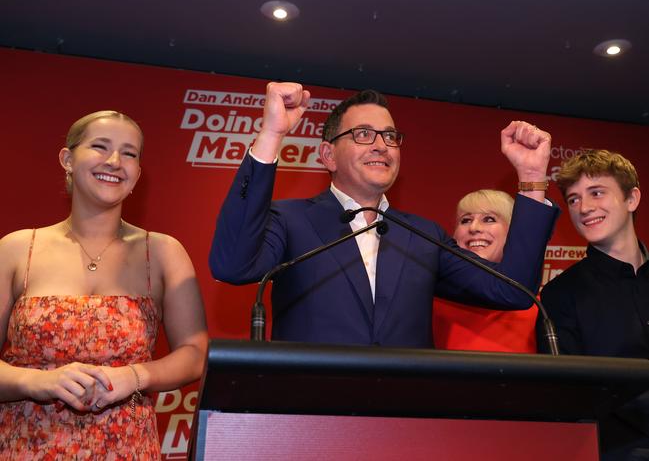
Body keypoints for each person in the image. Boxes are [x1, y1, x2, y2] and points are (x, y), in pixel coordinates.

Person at [210, 82, 558, 347]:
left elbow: (513, 291)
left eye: (390, 136)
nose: (381, 145)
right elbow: (233, 265)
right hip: (311, 424)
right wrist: (272, 133)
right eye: (363, 134)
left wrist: (531, 178)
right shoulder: (291, 220)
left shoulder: (423, 236)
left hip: (403, 425)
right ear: (328, 156)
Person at [0, 111, 208, 459]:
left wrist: (135, 376)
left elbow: (196, 354)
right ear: (67, 159)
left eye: (129, 153)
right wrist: (38, 382)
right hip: (25, 447)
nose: (114, 161)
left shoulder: (161, 252)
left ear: (137, 174)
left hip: (129, 449)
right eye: (100, 147)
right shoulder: (18, 249)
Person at [536, 149, 648, 460]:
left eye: (596, 192)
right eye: (573, 199)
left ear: (632, 199)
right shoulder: (559, 296)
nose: (584, 208)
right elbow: (568, 397)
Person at [434, 190, 537, 352]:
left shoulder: (536, 307)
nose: (474, 228)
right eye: (465, 220)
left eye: (489, 219)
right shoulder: (428, 302)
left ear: (513, 234)